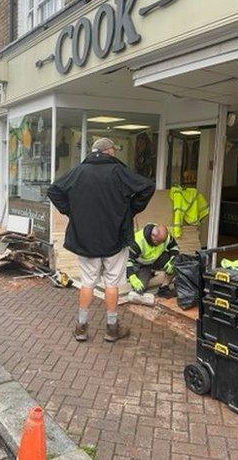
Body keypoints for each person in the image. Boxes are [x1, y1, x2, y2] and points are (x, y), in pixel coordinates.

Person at [48, 137, 155, 342]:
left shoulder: (79, 171)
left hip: (86, 239)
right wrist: (131, 210)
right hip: (115, 239)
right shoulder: (118, 171)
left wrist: (71, 211)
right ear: (109, 152)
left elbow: (54, 190)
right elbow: (147, 186)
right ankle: (112, 329)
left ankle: (81, 327)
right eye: (114, 150)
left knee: (87, 283)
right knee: (112, 284)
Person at [126, 223, 180, 293]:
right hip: (141, 265)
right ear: (153, 237)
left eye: (162, 242)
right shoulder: (137, 242)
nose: (161, 244)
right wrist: (132, 277)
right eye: (158, 242)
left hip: (156, 260)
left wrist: (173, 259)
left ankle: (164, 287)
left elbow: (174, 247)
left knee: (176, 263)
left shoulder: (165, 238)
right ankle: (147, 273)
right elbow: (128, 260)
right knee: (140, 288)